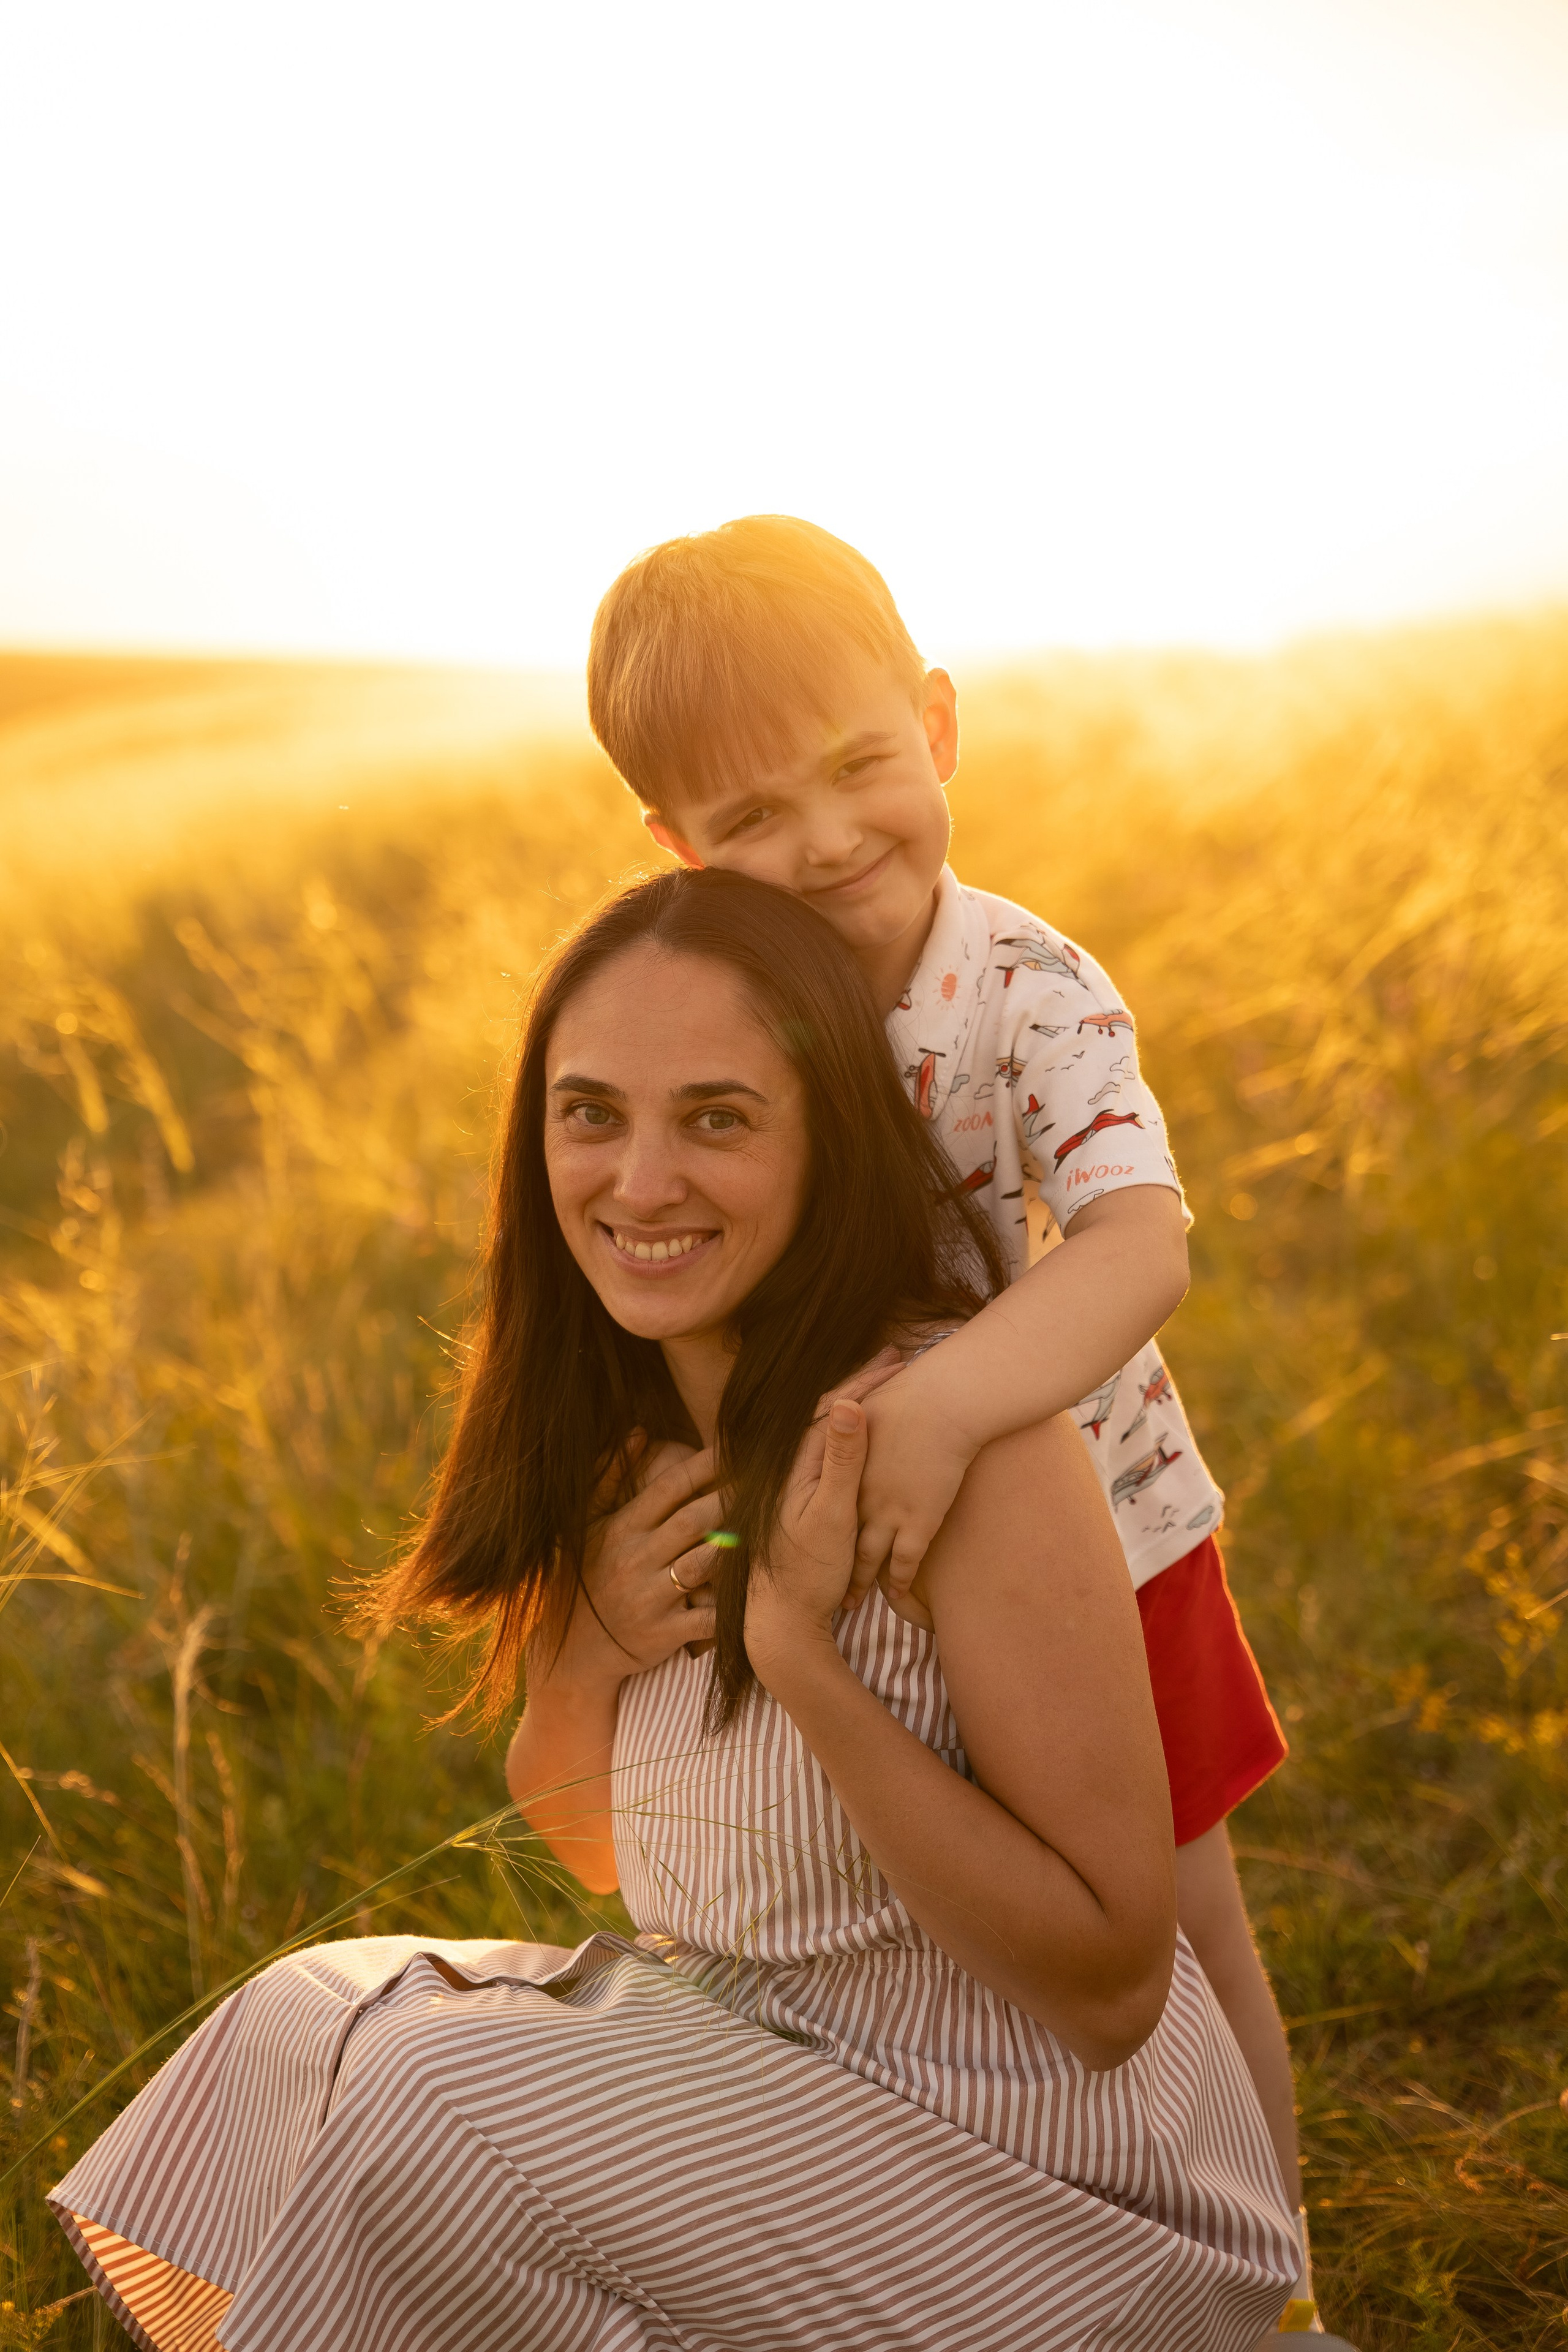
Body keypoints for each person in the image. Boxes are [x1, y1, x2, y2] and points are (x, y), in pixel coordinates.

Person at [51, 870, 1300, 2352]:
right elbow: (602, 1849)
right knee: (298, 2023)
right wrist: (581, 1660)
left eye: (715, 1118)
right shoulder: (621, 1450)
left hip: (1063, 2204)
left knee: (426, 2106)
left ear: (825, 1142)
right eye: (591, 1114)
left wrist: (803, 1669)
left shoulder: (960, 1448)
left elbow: (1106, 1989)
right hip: (783, 2110)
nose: (639, 1183)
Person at [586, 515, 1322, 2335]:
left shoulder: (1027, 985)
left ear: (938, 719)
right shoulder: (736, 1000)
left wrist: (955, 1401)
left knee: (1182, 1920)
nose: (830, 839)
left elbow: (1140, 1240)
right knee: (901, 1926)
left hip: (1110, 1535)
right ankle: (1000, 2234)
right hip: (845, 1555)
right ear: (678, 850)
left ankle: (1275, 2278)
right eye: (756, 819)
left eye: (860, 766)